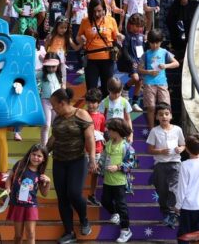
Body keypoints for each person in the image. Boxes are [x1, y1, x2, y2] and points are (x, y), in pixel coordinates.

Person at [46, 88, 96, 244]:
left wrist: (93, 158)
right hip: (59, 162)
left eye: (54, 105)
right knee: (62, 198)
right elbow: (54, 138)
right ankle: (69, 232)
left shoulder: (81, 114)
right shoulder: (58, 118)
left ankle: (84, 219)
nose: (52, 108)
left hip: (77, 161)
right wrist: (43, 152)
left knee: (74, 193)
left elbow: (90, 138)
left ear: (62, 103)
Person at [147, 102, 186, 228]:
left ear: (171, 116)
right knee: (162, 190)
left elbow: (183, 144)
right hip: (160, 164)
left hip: (175, 163)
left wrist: (181, 149)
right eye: (161, 115)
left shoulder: (177, 130)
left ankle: (173, 214)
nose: (164, 117)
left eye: (166, 114)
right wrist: (161, 151)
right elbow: (150, 149)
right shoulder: (154, 131)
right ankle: (165, 212)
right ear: (157, 117)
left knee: (174, 189)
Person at [97, 118, 137, 243]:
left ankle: (125, 230)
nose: (107, 132)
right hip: (107, 180)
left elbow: (133, 163)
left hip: (120, 182)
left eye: (110, 130)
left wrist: (118, 167)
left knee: (122, 206)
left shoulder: (126, 147)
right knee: (105, 200)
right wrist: (99, 165)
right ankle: (115, 214)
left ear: (117, 131)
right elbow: (104, 157)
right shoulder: (108, 143)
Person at [5, 143, 51, 244]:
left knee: (31, 233)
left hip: (31, 205)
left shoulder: (40, 172)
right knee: (18, 236)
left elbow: (44, 193)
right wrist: (8, 188)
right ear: (29, 154)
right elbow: (9, 179)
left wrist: (48, 182)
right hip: (17, 205)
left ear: (43, 159)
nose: (36, 157)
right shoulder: (19, 164)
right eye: (34, 154)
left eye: (39, 156)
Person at [78, 0, 122, 96]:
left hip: (107, 59)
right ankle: (92, 111)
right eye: (94, 11)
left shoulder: (111, 20)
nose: (97, 14)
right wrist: (81, 39)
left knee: (107, 89)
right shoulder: (85, 21)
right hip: (90, 60)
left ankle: (106, 111)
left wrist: (120, 36)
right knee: (91, 90)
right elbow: (78, 37)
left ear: (104, 9)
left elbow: (116, 36)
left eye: (99, 11)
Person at [138, 29, 180, 130]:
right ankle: (151, 129)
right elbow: (139, 69)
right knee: (151, 107)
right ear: (149, 42)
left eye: (157, 43)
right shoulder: (146, 54)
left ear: (161, 42)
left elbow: (176, 63)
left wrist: (165, 65)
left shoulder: (165, 52)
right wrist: (148, 72)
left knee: (165, 106)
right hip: (149, 83)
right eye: (152, 43)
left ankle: (165, 127)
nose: (155, 45)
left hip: (162, 83)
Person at [84, 88, 106, 207]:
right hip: (84, 150)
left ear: (98, 103)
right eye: (89, 102)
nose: (91, 105)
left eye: (94, 102)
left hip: (98, 149)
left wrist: (99, 135)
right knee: (82, 173)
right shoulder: (83, 114)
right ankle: (78, 195)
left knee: (95, 173)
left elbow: (102, 131)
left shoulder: (101, 117)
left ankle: (92, 195)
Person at [121, 13, 147, 113]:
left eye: (140, 26)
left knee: (139, 81)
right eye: (136, 26)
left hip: (140, 62)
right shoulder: (127, 36)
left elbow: (142, 50)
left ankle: (135, 102)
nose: (138, 29)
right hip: (132, 62)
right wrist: (131, 61)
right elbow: (125, 51)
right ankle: (125, 88)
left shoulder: (141, 36)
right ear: (130, 25)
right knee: (136, 78)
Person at [98, 77, 134, 141]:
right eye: (114, 93)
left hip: (121, 132)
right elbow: (100, 118)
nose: (117, 95)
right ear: (109, 90)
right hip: (109, 132)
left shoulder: (124, 102)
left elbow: (128, 119)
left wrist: (130, 134)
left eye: (119, 92)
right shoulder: (104, 102)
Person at [38, 54, 63, 146]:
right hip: (46, 101)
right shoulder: (41, 74)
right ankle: (44, 146)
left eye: (53, 67)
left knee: (56, 125)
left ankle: (53, 144)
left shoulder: (59, 74)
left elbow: (62, 87)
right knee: (46, 125)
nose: (51, 69)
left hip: (57, 103)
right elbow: (32, 76)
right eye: (49, 67)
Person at [70, 0, 88, 74]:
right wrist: (67, 23)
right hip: (75, 24)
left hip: (85, 24)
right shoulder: (72, 0)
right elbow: (68, 12)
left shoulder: (87, 0)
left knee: (85, 44)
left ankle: (84, 66)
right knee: (77, 44)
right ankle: (80, 64)